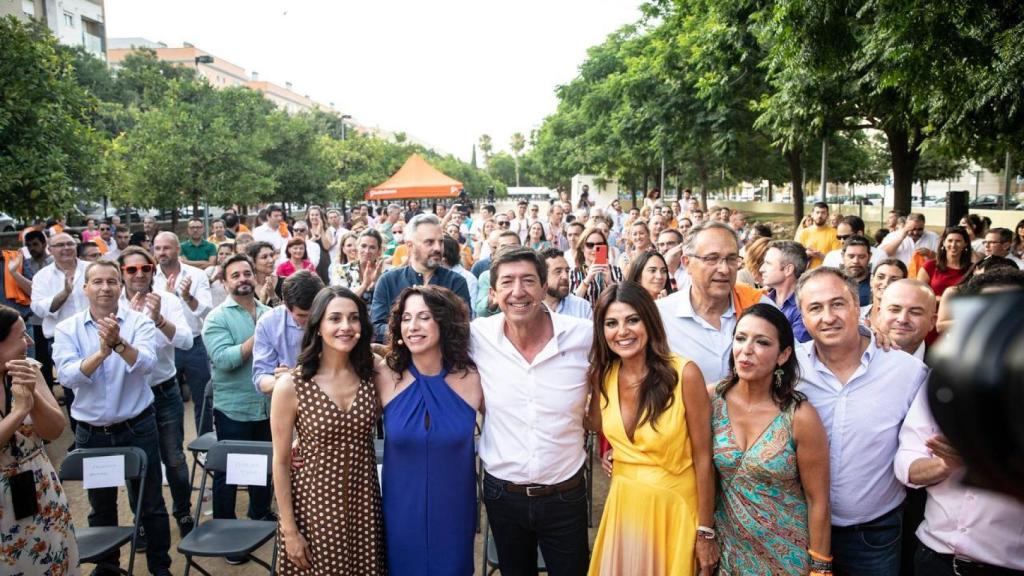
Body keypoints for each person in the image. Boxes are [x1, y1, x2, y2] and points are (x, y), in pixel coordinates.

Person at [794, 266, 928, 575]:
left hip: (874, 535)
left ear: (859, 307)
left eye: (838, 304)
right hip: (799, 529)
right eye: (815, 308)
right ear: (802, 316)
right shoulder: (789, 367)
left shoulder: (906, 372)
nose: (828, 317)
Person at [473, 247, 593, 575]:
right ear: (494, 293)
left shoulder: (582, 335)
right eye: (507, 282)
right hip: (502, 494)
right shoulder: (477, 337)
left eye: (528, 280)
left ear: (543, 287)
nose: (518, 291)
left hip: (565, 494)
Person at [587, 281, 717, 576]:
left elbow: (704, 459)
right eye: (611, 323)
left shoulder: (685, 374)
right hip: (624, 507)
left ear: (650, 321)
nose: (623, 331)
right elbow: (594, 424)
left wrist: (705, 532)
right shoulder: (603, 376)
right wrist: (612, 452)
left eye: (633, 319)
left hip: (674, 512)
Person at [53, 260, 173, 575]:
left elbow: (147, 364)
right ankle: (108, 569)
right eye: (98, 282)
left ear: (120, 286)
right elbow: (67, 376)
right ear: (85, 287)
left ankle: (160, 567)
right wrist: (101, 353)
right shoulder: (68, 329)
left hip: (137, 427)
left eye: (112, 281)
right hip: (93, 434)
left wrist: (119, 344)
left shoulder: (139, 323)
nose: (105, 288)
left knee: (150, 505)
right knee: (102, 508)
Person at [271, 286, 387, 574]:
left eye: (354, 318)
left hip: (363, 505)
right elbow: (281, 461)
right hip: (315, 507)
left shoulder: (372, 373)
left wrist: (379, 349)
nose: (346, 327)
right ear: (318, 326)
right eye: (335, 318)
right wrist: (289, 529)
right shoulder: (291, 385)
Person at [711, 303, 831, 575]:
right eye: (740, 338)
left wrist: (821, 567)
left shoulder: (799, 416)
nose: (747, 350)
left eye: (762, 342)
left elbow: (818, 500)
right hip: (728, 554)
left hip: (788, 557)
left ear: (783, 355)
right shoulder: (711, 401)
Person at [377, 286, 482, 575]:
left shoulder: (473, 377)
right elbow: (346, 419)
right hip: (400, 510)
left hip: (454, 509)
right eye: (407, 318)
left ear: (443, 321)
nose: (413, 327)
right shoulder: (384, 376)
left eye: (424, 317)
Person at [895, 385, 1024, 575]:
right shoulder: (944, 377)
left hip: (1005, 566)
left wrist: (988, 459)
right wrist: (945, 465)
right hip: (933, 558)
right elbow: (907, 465)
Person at [118, 246, 197, 538]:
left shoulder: (166, 299)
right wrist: (132, 325)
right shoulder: (114, 306)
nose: (139, 274)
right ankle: (141, 520)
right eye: (131, 269)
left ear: (153, 270)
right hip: (130, 395)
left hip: (164, 392)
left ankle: (183, 512)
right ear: (122, 273)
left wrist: (159, 320)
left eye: (145, 268)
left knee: (173, 458)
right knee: (136, 461)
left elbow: (187, 342)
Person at [202, 254, 275, 558]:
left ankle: (259, 515)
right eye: (236, 275)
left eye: (247, 273)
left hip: (268, 406)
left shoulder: (269, 312)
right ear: (225, 282)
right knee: (230, 472)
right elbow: (225, 360)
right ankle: (225, 532)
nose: (243, 278)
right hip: (234, 408)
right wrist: (257, 335)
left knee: (264, 467)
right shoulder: (217, 318)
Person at [0, 304, 79, 574]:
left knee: (55, 562)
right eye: (21, 335)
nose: (30, 341)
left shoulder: (29, 368)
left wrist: (34, 401)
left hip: (40, 487)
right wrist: (19, 411)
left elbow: (55, 430)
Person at [657, 223, 771, 384]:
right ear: (687, 263)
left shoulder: (759, 307)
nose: (724, 269)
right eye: (712, 259)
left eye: (731, 259)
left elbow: (794, 364)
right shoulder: (661, 316)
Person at [371, 214, 471, 342]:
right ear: (410, 246)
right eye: (429, 242)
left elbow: (463, 327)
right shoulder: (388, 281)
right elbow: (376, 327)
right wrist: (411, 333)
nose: (437, 248)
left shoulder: (456, 282)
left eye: (440, 242)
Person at [153, 231, 213, 430]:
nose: (162, 252)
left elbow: (206, 310)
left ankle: (204, 446)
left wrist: (187, 297)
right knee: (167, 401)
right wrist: (167, 300)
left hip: (194, 344)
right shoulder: (149, 277)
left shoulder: (196, 275)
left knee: (203, 398)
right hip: (162, 347)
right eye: (158, 248)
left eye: (166, 247)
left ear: (178, 249)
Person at [30, 233, 90, 431]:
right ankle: (81, 437)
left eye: (69, 244)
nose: (66, 248)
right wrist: (65, 294)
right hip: (62, 340)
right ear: (50, 249)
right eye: (60, 245)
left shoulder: (90, 269)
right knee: (73, 391)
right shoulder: (42, 277)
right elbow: (38, 309)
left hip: (94, 334)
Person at [253, 270, 323, 394]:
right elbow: (261, 378)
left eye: (315, 313)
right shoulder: (268, 323)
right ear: (286, 306)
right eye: (302, 316)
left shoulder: (335, 317)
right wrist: (286, 380)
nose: (310, 320)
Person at [759, 240, 811, 343]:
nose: (761, 269)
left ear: (788, 270)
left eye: (768, 264)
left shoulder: (805, 307)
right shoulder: (763, 300)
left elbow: (795, 349)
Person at [876, 279, 936, 361]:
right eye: (894, 310)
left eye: (915, 312)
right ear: (879, 314)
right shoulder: (857, 356)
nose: (903, 319)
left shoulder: (950, 370)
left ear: (932, 321)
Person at [571, 226, 624, 306]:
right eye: (590, 245)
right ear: (582, 248)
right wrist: (587, 280)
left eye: (599, 245)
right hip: (585, 317)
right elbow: (572, 303)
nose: (595, 248)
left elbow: (624, 301)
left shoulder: (616, 271)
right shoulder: (574, 273)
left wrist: (610, 282)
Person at [329, 229, 384, 306]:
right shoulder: (342, 271)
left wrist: (377, 282)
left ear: (379, 251)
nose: (367, 251)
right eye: (363, 246)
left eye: (372, 247)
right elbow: (340, 302)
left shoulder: (385, 273)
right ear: (357, 247)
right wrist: (364, 286)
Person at [539, 248, 592, 320]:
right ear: (543, 276)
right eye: (558, 271)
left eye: (567, 271)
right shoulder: (531, 310)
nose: (565, 276)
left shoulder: (582, 307)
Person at [918, 227, 972, 297]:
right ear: (944, 243)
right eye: (950, 241)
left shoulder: (972, 269)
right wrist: (943, 300)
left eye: (958, 241)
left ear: (965, 244)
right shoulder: (929, 266)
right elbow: (920, 294)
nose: (953, 245)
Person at [795, 202, 841, 269]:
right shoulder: (803, 233)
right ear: (812, 215)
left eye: (823, 213)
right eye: (817, 212)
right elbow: (796, 256)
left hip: (827, 272)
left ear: (827, 215)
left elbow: (837, 259)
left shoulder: (835, 233)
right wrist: (807, 254)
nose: (820, 215)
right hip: (807, 273)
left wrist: (821, 256)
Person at [248, 240, 285, 306]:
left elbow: (287, 314)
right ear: (253, 262)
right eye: (264, 257)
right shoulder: (247, 286)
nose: (271, 260)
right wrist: (262, 302)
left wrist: (273, 296)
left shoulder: (285, 283)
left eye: (271, 255)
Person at [840, 236, 873, 306]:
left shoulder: (876, 284)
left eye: (861, 257)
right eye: (851, 256)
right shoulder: (833, 282)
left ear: (869, 257)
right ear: (843, 256)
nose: (855, 261)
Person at [207, 241, 235, 308]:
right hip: (212, 309)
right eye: (221, 254)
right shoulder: (210, 270)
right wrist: (213, 279)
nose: (224, 256)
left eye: (227, 254)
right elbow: (202, 288)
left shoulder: (236, 271)